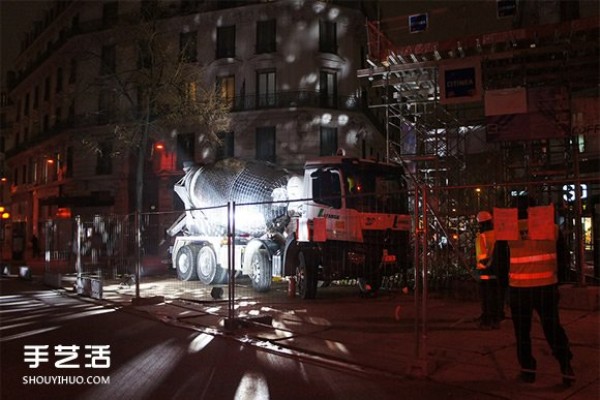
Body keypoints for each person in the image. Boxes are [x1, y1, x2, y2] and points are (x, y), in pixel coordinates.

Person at [501, 196, 575, 386]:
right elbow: (564, 261)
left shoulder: (507, 231)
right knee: (552, 328)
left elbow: (501, 264)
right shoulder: (552, 229)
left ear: (514, 212)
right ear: (534, 209)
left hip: (519, 291)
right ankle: (565, 364)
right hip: (546, 288)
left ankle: (528, 371)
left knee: (522, 334)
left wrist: (505, 290)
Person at [474, 211, 503, 329]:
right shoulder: (498, 234)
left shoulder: (481, 237)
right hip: (497, 271)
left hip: (485, 272)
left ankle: (486, 320)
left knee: (486, 298)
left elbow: (482, 257)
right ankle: (496, 319)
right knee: (496, 297)